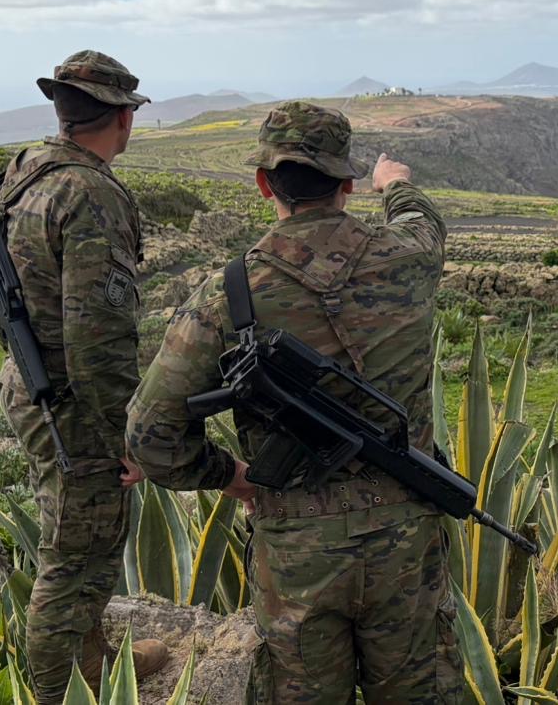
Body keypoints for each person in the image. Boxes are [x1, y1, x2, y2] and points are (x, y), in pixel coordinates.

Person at [127, 100, 464, 703]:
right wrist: (396, 184)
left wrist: (231, 476)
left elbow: (150, 436)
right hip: (406, 542)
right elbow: (424, 221)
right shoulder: (410, 257)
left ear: (264, 184)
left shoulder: (229, 293)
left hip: (296, 554)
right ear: (347, 184)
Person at [0, 50, 171, 702]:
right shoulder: (91, 194)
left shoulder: (26, 171)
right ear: (122, 118)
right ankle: (62, 690)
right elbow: (98, 338)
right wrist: (127, 436)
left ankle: (90, 657)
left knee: (77, 534)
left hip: (28, 379)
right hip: (72, 400)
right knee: (75, 555)